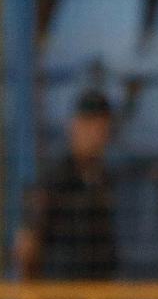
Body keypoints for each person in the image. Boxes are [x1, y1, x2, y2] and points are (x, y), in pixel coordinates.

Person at [14, 89, 117, 280]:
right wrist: (33, 294)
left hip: (95, 289)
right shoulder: (54, 176)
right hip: (60, 288)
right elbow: (27, 243)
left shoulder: (102, 178)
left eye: (102, 128)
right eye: (89, 126)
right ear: (74, 126)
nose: (96, 135)